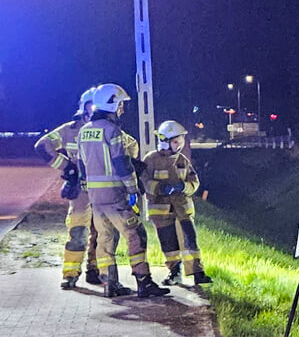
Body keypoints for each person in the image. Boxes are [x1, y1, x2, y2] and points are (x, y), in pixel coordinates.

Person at [75, 83, 170, 299]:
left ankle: (110, 284)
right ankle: (144, 281)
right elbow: (121, 163)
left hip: (95, 198)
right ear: (112, 105)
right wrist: (132, 189)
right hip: (115, 195)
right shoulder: (112, 131)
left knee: (105, 239)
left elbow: (81, 164)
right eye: (120, 105)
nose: (122, 109)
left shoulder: (83, 131)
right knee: (136, 234)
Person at [35, 91, 101, 290]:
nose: (94, 111)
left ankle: (96, 271)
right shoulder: (69, 130)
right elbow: (43, 146)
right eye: (91, 106)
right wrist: (67, 167)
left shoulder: (108, 129)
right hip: (81, 193)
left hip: (103, 192)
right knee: (78, 233)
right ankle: (70, 275)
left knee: (102, 234)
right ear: (83, 107)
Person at [142, 120, 212, 286]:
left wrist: (184, 187)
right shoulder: (151, 159)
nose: (179, 145)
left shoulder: (182, 160)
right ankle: (175, 272)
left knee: (190, 241)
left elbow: (194, 182)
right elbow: (144, 181)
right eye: (175, 142)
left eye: (180, 141)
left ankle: (197, 272)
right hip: (161, 212)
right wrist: (160, 188)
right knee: (169, 243)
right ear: (164, 141)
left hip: (183, 210)